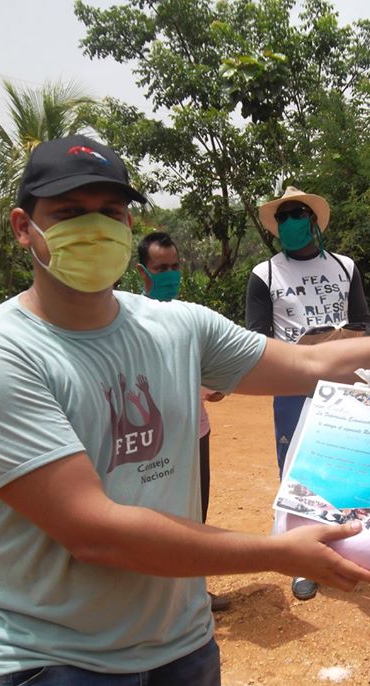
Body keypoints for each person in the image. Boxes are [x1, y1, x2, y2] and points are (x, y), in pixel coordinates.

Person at [0, 135, 370, 686]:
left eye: (110, 212)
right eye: (69, 213)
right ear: (24, 227)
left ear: (128, 224)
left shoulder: (179, 328)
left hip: (180, 648)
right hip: (43, 671)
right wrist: (275, 553)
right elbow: (94, 531)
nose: (93, 228)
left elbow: (312, 364)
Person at [245, 185, 370, 601]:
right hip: (292, 386)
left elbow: (362, 321)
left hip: (344, 383)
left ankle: (347, 548)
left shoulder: (345, 267)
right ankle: (302, 561)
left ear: (314, 221)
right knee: (297, 470)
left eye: (297, 214)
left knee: (346, 466)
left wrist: (343, 343)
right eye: (282, 217)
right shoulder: (265, 274)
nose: (289, 222)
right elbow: (256, 337)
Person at [137, 230, 230, 612]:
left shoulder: (190, 319)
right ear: (142, 272)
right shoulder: (128, 321)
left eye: (175, 267)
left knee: (195, 512)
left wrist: (211, 388)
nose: (171, 275)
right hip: (155, 441)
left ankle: (193, 592)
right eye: (162, 268)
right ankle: (153, 599)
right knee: (157, 517)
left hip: (196, 432)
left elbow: (203, 371)